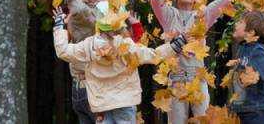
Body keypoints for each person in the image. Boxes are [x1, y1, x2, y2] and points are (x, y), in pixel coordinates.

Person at [52, 7, 187, 124]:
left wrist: (59, 26)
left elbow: (63, 51)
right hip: (125, 102)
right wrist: (174, 46)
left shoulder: (88, 46)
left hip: (101, 105)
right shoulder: (126, 46)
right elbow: (152, 55)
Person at [150, 0, 242, 124]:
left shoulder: (203, 15)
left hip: (197, 79)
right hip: (176, 79)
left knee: (204, 121)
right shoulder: (168, 14)